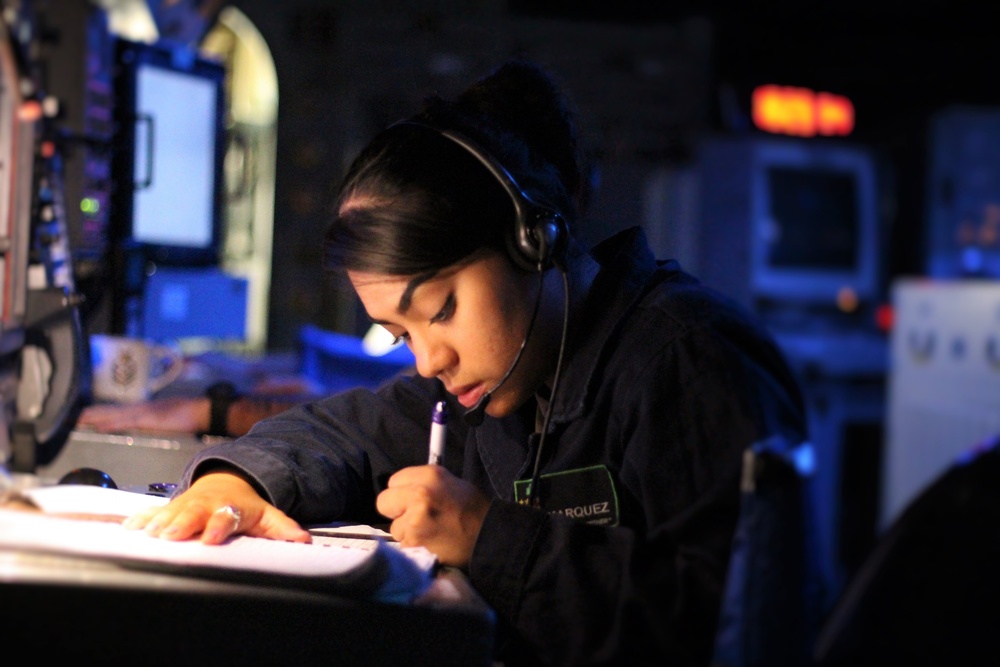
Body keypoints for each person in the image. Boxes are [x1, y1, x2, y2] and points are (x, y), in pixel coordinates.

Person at [123, 60, 809, 666]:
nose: (428, 360)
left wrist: (489, 537)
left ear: (531, 239)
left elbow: (722, 629)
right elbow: (339, 432)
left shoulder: (688, 362)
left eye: (442, 308)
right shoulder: (491, 386)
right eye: (400, 334)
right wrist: (236, 484)